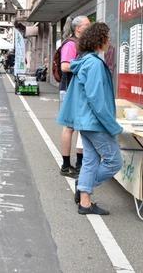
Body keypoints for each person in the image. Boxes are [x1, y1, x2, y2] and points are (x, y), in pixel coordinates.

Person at [58, 22, 123, 215]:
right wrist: (113, 126)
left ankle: (85, 201)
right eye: (107, 37)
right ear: (99, 40)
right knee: (114, 161)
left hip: (86, 121)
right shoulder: (94, 64)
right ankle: (84, 188)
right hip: (95, 122)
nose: (109, 41)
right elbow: (97, 99)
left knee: (90, 161)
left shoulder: (85, 61)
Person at [59, 15, 91, 178]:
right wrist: (86, 66)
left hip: (78, 89)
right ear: (78, 28)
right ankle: (66, 165)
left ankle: (79, 163)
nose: (90, 27)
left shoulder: (81, 44)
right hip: (70, 90)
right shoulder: (71, 44)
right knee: (69, 127)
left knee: (80, 126)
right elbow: (65, 66)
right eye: (87, 24)